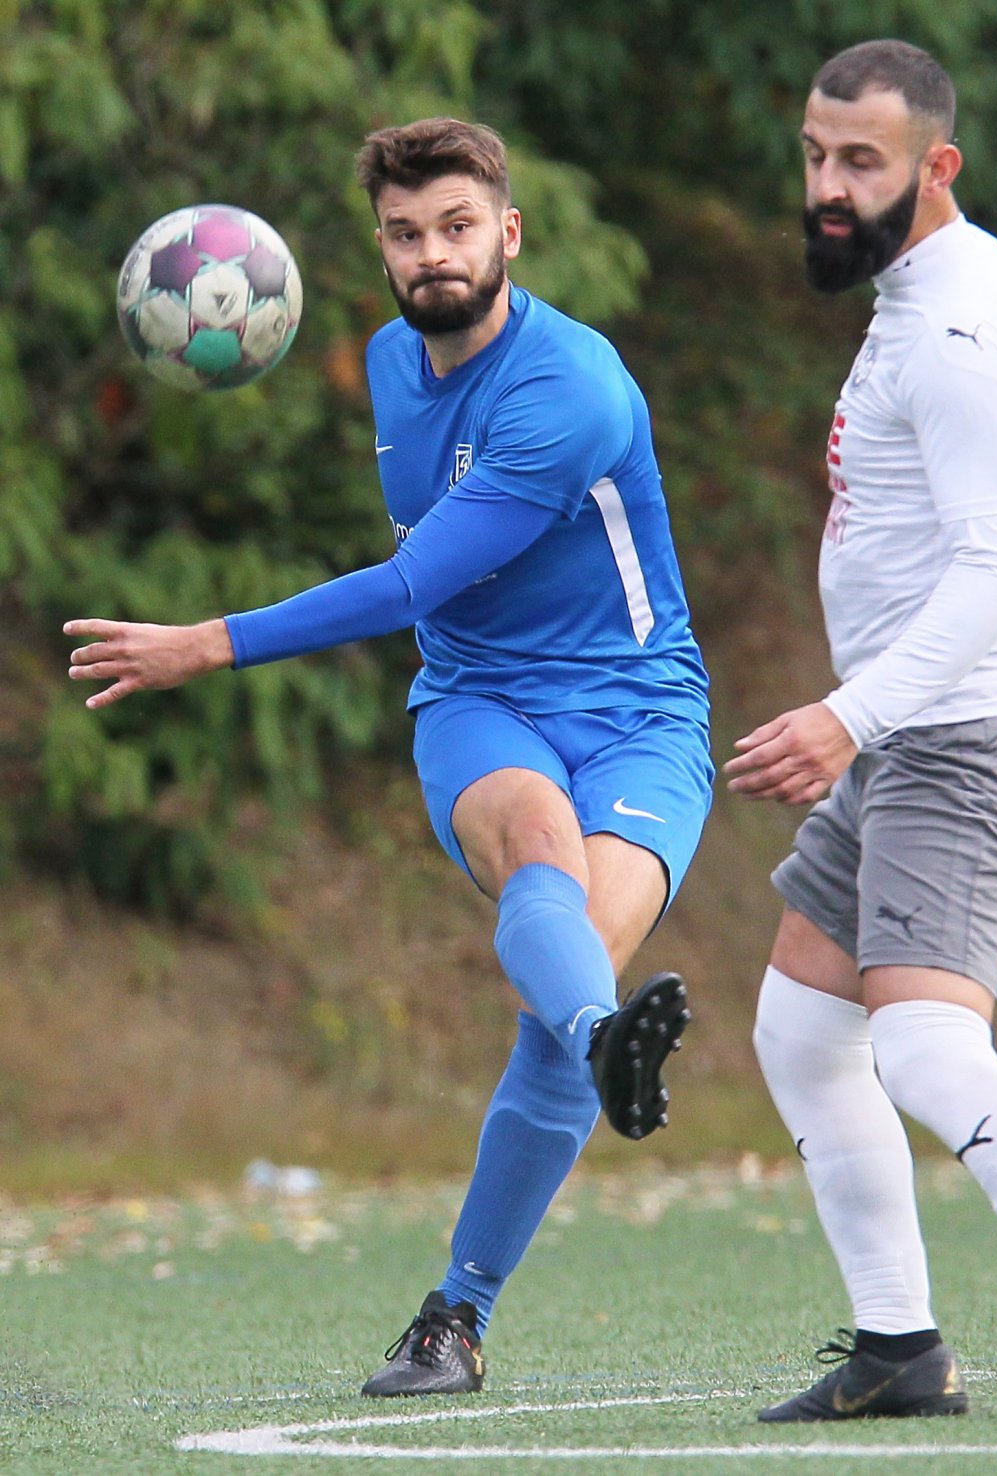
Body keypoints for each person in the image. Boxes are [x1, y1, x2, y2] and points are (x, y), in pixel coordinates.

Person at [65, 117, 713, 1397]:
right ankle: (606, 1042)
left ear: (508, 234)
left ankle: (454, 1315)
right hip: (480, 704)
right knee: (540, 861)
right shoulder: (384, 360)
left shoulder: (570, 386)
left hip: (641, 711)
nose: (433, 255)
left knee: (554, 1004)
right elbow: (441, 607)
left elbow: (417, 574)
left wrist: (212, 641)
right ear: (380, 250)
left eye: (457, 227)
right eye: (406, 235)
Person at [725, 39, 997, 1422]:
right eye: (817, 155)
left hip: (958, 745)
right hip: (917, 737)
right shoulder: (947, 292)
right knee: (803, 1030)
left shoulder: (965, 328)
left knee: (917, 1048)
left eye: (864, 161)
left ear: (937, 165)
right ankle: (900, 1351)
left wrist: (847, 719)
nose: (831, 187)